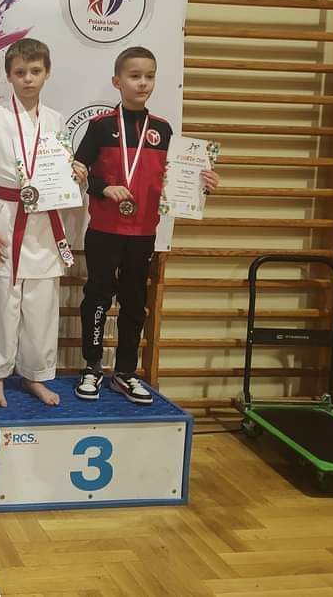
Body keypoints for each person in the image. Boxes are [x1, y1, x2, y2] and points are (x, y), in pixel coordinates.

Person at [72, 46, 219, 404]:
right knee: (97, 297)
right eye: (135, 76)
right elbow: (77, 170)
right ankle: (92, 367)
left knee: (135, 302)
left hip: (143, 233)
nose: (143, 83)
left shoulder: (164, 131)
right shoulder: (101, 126)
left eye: (149, 76)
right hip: (104, 230)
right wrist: (103, 188)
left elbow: (176, 180)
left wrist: (201, 184)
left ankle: (125, 372)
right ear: (117, 81)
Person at [0, 39, 86, 407]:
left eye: (35, 71)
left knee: (41, 303)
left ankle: (36, 375)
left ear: (47, 73)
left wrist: (76, 176)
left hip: (44, 222)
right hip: (6, 218)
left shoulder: (55, 120)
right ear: (9, 76)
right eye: (20, 72)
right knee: (0, 299)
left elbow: (59, 175)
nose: (28, 79)